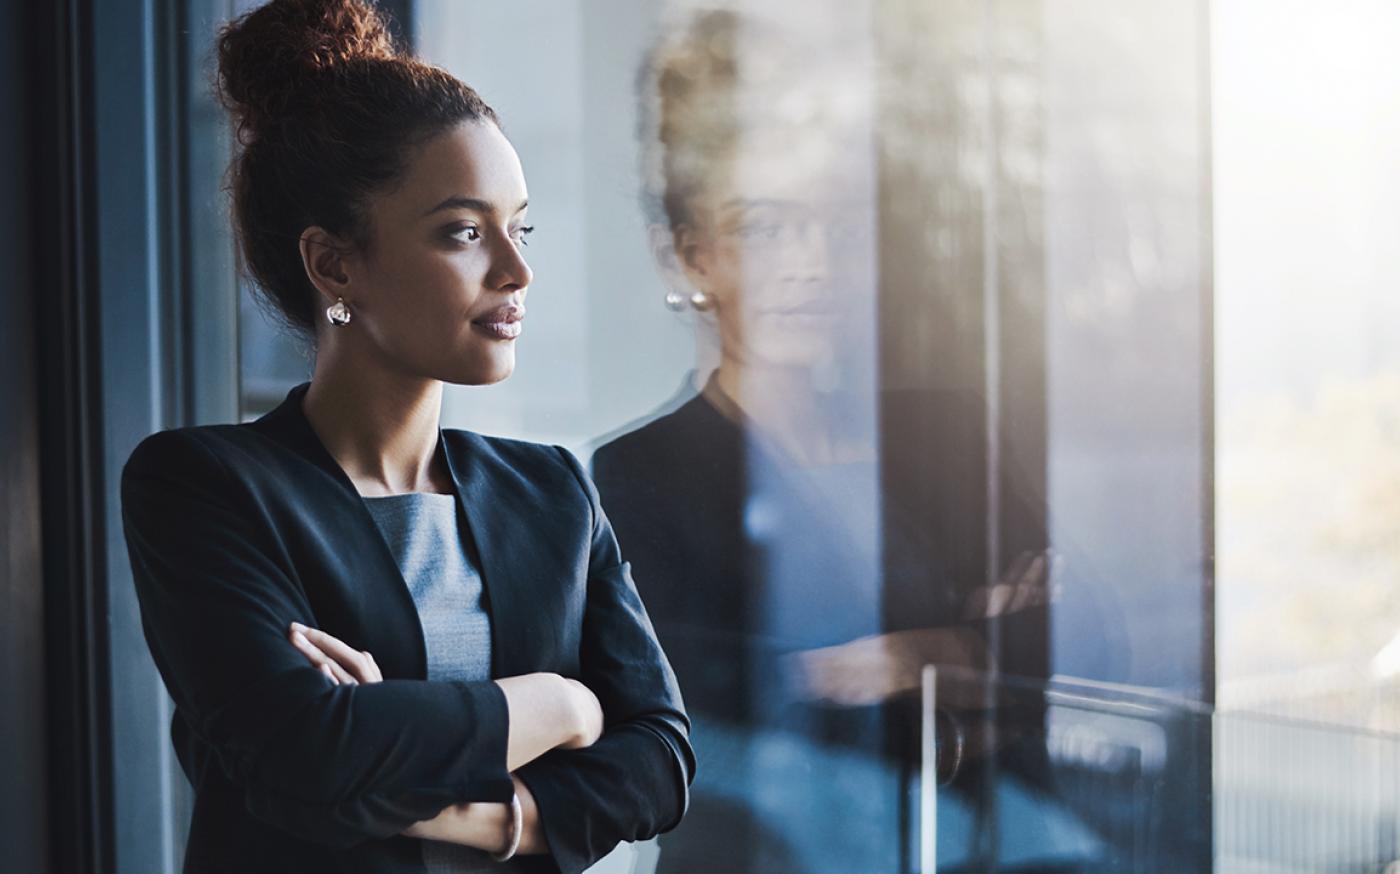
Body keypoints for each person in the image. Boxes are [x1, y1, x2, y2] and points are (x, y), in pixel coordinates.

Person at [118, 2, 692, 872]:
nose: (517, 269)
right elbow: (307, 756)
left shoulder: (552, 493)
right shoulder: (204, 485)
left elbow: (660, 760)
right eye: (465, 231)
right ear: (335, 265)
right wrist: (563, 703)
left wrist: (457, 798)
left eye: (520, 225)